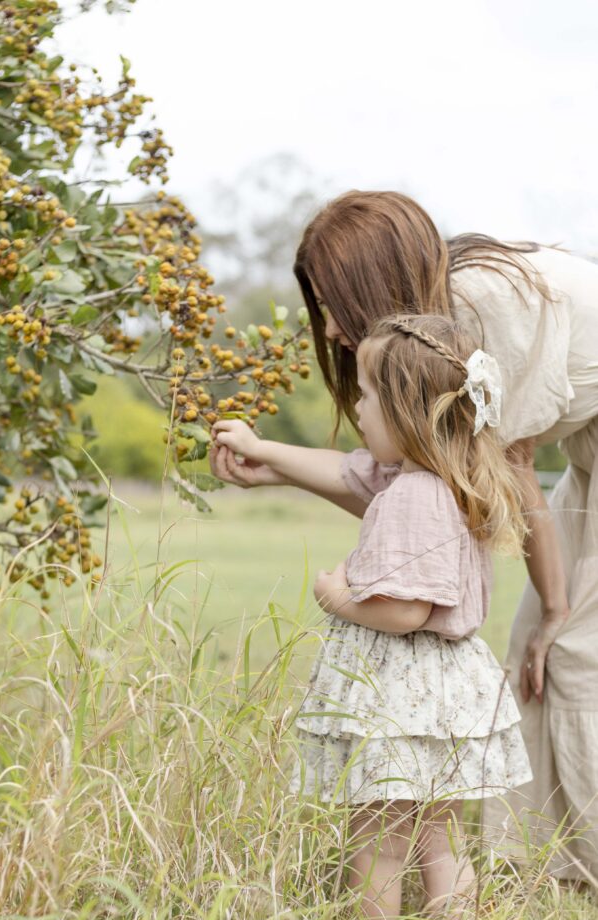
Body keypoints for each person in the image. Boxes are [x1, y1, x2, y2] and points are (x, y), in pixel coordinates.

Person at [210, 190, 598, 882]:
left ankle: (575, 868)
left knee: (570, 656)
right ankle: (547, 872)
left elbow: (497, 480)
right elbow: (395, 485)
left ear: (369, 283)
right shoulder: (427, 342)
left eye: (331, 304)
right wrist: (271, 465)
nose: (328, 331)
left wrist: (558, 609)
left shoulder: (477, 321)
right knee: (531, 653)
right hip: (586, 456)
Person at [212, 313, 532, 920]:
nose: (357, 408)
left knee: (378, 845)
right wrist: (263, 448)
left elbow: (406, 611)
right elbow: (355, 470)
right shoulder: (444, 480)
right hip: (441, 694)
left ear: (406, 411)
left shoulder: (414, 496)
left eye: (365, 394)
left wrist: (340, 599)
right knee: (440, 838)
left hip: (399, 695)